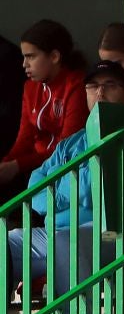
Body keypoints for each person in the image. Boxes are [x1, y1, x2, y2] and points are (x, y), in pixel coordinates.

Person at [6, 60, 124, 291]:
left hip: (113, 231)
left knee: (65, 242)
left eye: (110, 85)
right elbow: (35, 189)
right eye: (93, 86)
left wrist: (58, 189)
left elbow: (93, 188)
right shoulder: (71, 144)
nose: (100, 92)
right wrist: (72, 190)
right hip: (56, 232)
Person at [0, 19, 85, 190]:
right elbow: (24, 138)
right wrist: (5, 164)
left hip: (63, 170)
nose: (24, 64)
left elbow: (66, 149)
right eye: (24, 57)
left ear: (54, 56)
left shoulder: (77, 85)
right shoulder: (30, 87)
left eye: (30, 56)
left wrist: (17, 165)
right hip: (32, 168)